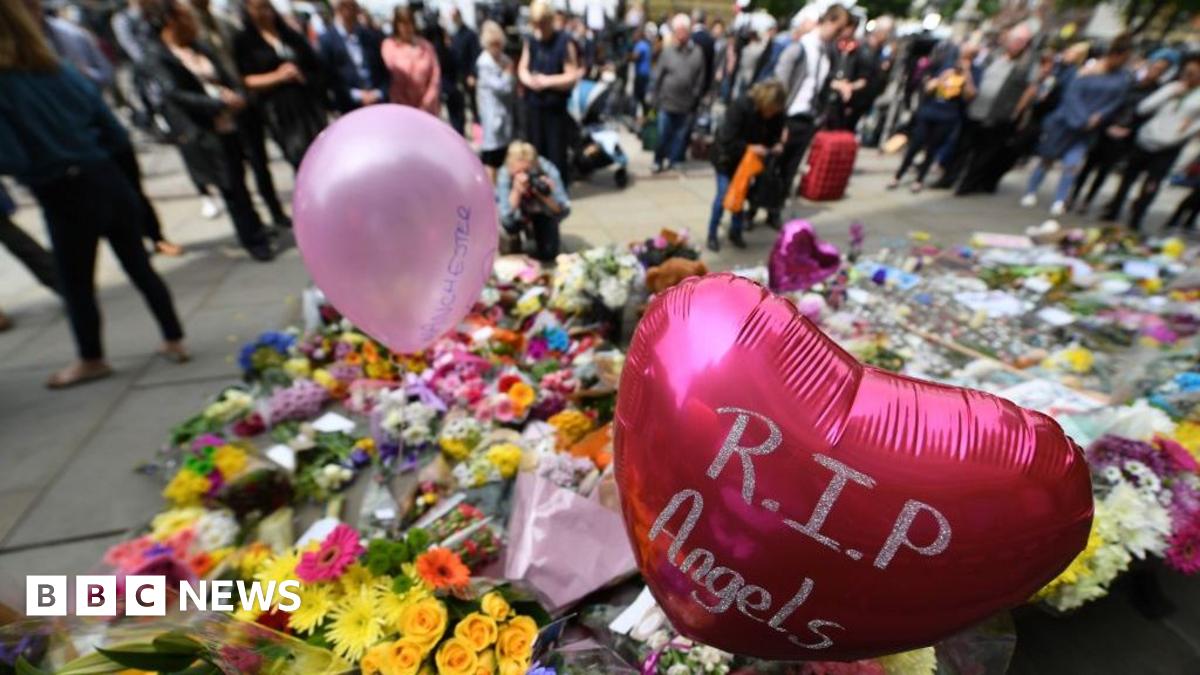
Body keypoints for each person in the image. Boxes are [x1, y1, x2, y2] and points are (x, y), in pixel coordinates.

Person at [0, 0, 187, 386]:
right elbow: (116, 134)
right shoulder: (60, 69)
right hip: (105, 174)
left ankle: (92, 357)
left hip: (61, 188)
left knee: (76, 283)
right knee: (138, 264)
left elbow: (12, 156)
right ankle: (173, 338)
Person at [143, 0, 275, 260]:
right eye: (185, 18)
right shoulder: (158, 56)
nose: (191, 22)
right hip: (204, 131)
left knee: (240, 180)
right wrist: (216, 104)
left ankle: (255, 226)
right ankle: (252, 239)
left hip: (229, 124)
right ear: (170, 21)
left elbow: (225, 75)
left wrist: (234, 95)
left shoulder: (198, 47)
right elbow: (175, 93)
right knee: (230, 187)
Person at [1020, 35, 1132, 216]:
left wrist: (1099, 117)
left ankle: (1059, 200)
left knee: (1072, 164)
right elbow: (1071, 94)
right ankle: (1031, 191)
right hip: (1065, 122)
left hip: (1088, 128)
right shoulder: (1089, 69)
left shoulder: (1122, 78)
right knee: (1047, 158)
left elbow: (1116, 101)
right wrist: (1083, 118)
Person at [1070, 48, 1178, 214]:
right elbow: (1113, 102)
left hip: (1126, 135)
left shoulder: (1158, 91)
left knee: (1104, 171)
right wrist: (1108, 123)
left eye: (1161, 70)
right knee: (1088, 165)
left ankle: (1087, 200)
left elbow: (1146, 114)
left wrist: (1128, 130)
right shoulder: (1129, 82)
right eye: (1155, 67)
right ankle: (1073, 195)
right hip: (1106, 128)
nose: (1155, 71)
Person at [1102, 54, 1200, 231]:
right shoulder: (1172, 88)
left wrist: (1184, 132)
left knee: (1152, 184)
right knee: (1128, 178)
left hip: (1169, 146)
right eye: (1188, 71)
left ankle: (1137, 216)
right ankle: (1114, 209)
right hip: (1147, 139)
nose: (1190, 75)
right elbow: (1144, 108)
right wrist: (1170, 93)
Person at [934, 24, 1035, 195]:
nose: (1017, 44)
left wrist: (1016, 110)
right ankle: (949, 178)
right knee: (962, 147)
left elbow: (1031, 89)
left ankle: (968, 184)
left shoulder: (1026, 65)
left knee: (984, 153)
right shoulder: (992, 56)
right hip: (974, 109)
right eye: (1015, 40)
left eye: (1022, 42)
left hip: (998, 115)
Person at [773, 4, 850, 219]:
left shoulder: (827, 53)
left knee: (791, 168)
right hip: (789, 116)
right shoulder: (801, 47)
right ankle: (753, 210)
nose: (837, 36)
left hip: (808, 118)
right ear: (829, 21)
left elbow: (820, 83)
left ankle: (775, 210)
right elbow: (780, 85)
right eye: (837, 30)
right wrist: (778, 122)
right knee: (773, 167)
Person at [235, 0, 327, 169]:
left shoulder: (290, 36)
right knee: (300, 159)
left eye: (267, 6)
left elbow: (315, 67)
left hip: (306, 105)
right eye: (258, 8)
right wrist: (278, 76)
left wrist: (301, 75)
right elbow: (246, 79)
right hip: (278, 110)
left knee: (324, 152)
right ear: (249, 11)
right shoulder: (244, 42)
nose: (265, 12)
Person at [707, 80, 786, 252]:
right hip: (726, 159)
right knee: (723, 196)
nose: (771, 114)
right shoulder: (741, 106)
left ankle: (735, 233)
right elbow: (728, 139)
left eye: (775, 111)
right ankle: (712, 234)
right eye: (770, 109)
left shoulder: (776, 114)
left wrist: (777, 144)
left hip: (749, 163)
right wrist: (749, 147)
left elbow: (774, 134)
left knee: (741, 196)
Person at [889, 46, 975, 193]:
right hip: (929, 113)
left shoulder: (972, 72)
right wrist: (942, 77)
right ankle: (898, 175)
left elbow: (970, 95)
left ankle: (919, 179)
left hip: (947, 116)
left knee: (932, 149)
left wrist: (966, 74)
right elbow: (927, 88)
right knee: (915, 145)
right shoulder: (944, 66)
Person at [518, 0, 580, 182]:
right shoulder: (530, 40)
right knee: (535, 151)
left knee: (556, 152)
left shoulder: (564, 41)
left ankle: (557, 191)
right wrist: (529, 80)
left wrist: (547, 82)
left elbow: (571, 75)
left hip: (554, 109)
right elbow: (523, 68)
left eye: (542, 24)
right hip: (534, 106)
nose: (539, 29)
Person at [496, 141, 570, 262]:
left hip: (542, 212)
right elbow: (505, 215)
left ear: (534, 165)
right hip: (518, 215)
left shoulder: (548, 170)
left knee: (549, 253)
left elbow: (564, 210)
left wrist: (545, 196)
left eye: (527, 170)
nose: (524, 176)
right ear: (510, 166)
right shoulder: (504, 174)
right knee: (509, 246)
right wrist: (516, 191)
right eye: (518, 172)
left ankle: (538, 232)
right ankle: (518, 237)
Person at [650, 14, 705, 172]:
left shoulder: (697, 52)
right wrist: (654, 96)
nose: (681, 34)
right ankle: (658, 160)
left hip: (686, 103)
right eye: (678, 31)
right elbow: (658, 75)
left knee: (680, 137)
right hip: (667, 101)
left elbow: (700, 76)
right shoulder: (667, 52)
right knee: (663, 135)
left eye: (684, 31)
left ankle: (674, 159)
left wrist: (696, 95)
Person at [318, 0, 388, 113]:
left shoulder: (370, 36)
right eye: (347, 5)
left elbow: (383, 72)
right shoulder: (327, 41)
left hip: (377, 103)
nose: (352, 10)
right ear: (338, 8)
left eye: (353, 5)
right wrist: (358, 96)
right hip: (349, 108)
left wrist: (378, 93)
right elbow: (329, 78)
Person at [381, 6, 440, 115]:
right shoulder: (389, 46)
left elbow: (435, 76)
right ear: (396, 25)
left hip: (427, 109)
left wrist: (426, 102)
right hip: (400, 109)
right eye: (403, 23)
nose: (407, 27)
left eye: (409, 23)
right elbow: (388, 76)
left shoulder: (426, 46)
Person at [476, 20, 514, 181]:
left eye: (498, 43)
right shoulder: (484, 63)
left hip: (504, 114)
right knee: (491, 155)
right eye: (492, 44)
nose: (496, 47)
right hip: (492, 114)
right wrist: (508, 74)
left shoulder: (504, 59)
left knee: (503, 154)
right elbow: (503, 87)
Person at [449, 8, 480, 130]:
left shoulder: (470, 34)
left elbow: (474, 55)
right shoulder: (454, 35)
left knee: (473, 105)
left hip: (468, 74)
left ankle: (477, 129)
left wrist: (473, 74)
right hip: (458, 75)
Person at [631, 22, 653, 116]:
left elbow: (635, 57)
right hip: (646, 73)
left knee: (638, 96)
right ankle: (646, 113)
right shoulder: (647, 44)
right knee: (642, 95)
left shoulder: (640, 45)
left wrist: (627, 57)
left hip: (641, 74)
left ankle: (643, 114)